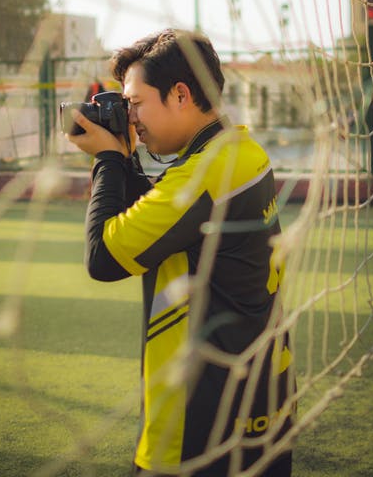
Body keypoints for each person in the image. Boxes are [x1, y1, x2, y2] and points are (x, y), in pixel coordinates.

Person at [67, 29, 295, 476]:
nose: (131, 118)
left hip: (201, 429)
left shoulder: (203, 174)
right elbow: (171, 223)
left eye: (135, 103)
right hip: (260, 405)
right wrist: (126, 159)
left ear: (180, 94)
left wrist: (108, 161)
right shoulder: (242, 151)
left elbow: (103, 258)